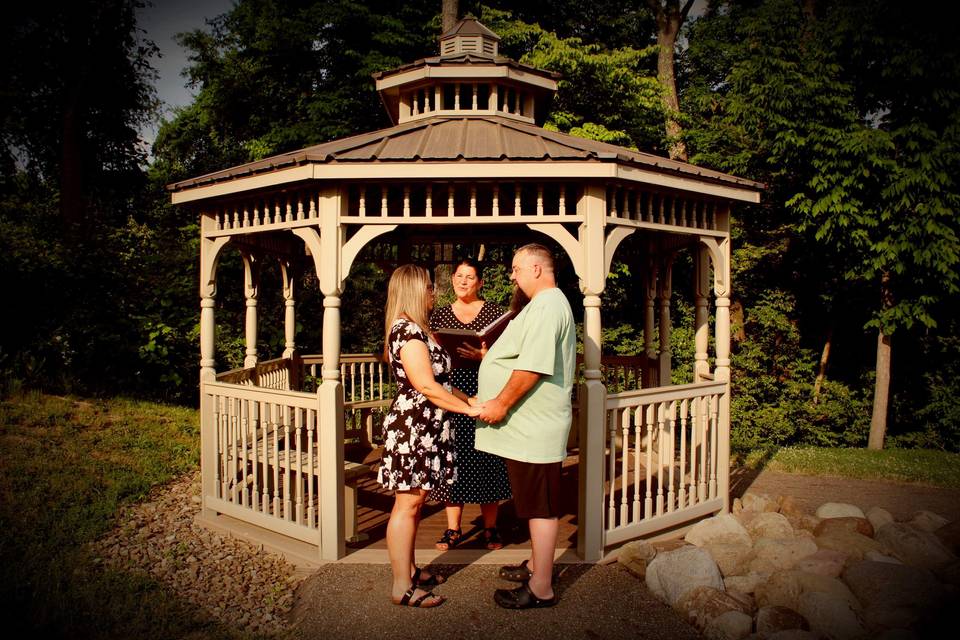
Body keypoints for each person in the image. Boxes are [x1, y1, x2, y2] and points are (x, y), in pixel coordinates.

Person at [473, 243, 576, 609]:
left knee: (540, 507)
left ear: (535, 268)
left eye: (516, 268)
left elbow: (533, 366)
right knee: (533, 503)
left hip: (535, 428)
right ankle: (536, 565)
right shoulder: (542, 306)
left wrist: (500, 403)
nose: (512, 276)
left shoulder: (548, 306)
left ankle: (542, 587)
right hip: (528, 427)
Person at [377, 264, 483, 608]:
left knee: (416, 502)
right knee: (407, 505)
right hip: (412, 428)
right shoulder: (406, 331)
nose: (433, 293)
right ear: (411, 290)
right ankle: (400, 586)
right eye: (427, 288)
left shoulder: (421, 330)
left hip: (427, 427)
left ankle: (409, 570)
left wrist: (471, 400)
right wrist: (467, 411)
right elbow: (424, 384)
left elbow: (442, 381)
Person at [428, 258, 512, 551]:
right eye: (459, 276)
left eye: (470, 277)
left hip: (486, 390)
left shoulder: (495, 313)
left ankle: (490, 528)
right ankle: (453, 529)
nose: (464, 281)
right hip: (451, 392)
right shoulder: (438, 316)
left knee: (488, 457)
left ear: (480, 282)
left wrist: (483, 357)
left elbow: (510, 357)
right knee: (454, 458)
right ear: (452, 279)